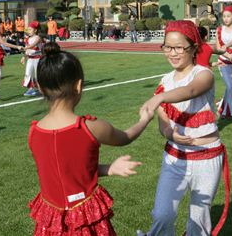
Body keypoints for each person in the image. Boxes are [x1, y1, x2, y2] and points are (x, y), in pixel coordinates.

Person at [28, 42, 154, 236]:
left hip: (51, 224)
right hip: (85, 222)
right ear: (78, 85)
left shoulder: (34, 133)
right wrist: (144, 120)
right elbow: (126, 137)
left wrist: (108, 169)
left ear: (41, 88)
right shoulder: (90, 127)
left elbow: (67, 172)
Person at [137, 20, 230, 236]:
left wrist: (159, 97)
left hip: (207, 155)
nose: (172, 53)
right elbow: (163, 119)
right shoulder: (165, 80)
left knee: (199, 218)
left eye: (179, 47)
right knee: (162, 214)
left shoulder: (203, 73)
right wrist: (169, 133)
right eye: (167, 47)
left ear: (194, 47)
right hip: (174, 157)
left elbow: (190, 91)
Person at [21, 21, 42, 97]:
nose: (28, 31)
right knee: (28, 73)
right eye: (28, 29)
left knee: (38, 75)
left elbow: (33, 45)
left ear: (35, 30)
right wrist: (24, 57)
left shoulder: (38, 38)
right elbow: (27, 51)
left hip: (38, 59)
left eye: (30, 29)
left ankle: (41, 90)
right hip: (30, 59)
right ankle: (31, 88)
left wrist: (24, 47)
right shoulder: (28, 39)